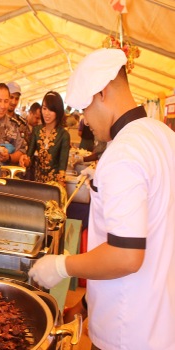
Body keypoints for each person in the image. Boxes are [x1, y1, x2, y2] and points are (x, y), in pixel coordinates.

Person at [28, 48, 175, 350]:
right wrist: (85, 305)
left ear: (103, 92)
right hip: (161, 321)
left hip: (128, 333)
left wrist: (62, 266)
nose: (84, 121)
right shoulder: (163, 135)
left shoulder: (124, 152)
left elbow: (126, 256)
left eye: (84, 109)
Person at [19, 91, 70, 186]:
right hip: (37, 182)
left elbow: (62, 165)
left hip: (54, 184)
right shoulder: (36, 130)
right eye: (44, 108)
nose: (47, 113)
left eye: (51, 110)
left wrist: (60, 185)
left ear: (58, 111)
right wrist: (24, 160)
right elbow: (29, 157)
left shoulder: (64, 135)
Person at [22, 102, 41, 180]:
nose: (38, 121)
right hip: (21, 165)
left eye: (40, 118)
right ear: (30, 113)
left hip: (33, 168)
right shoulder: (20, 125)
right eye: (37, 118)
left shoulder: (38, 129)